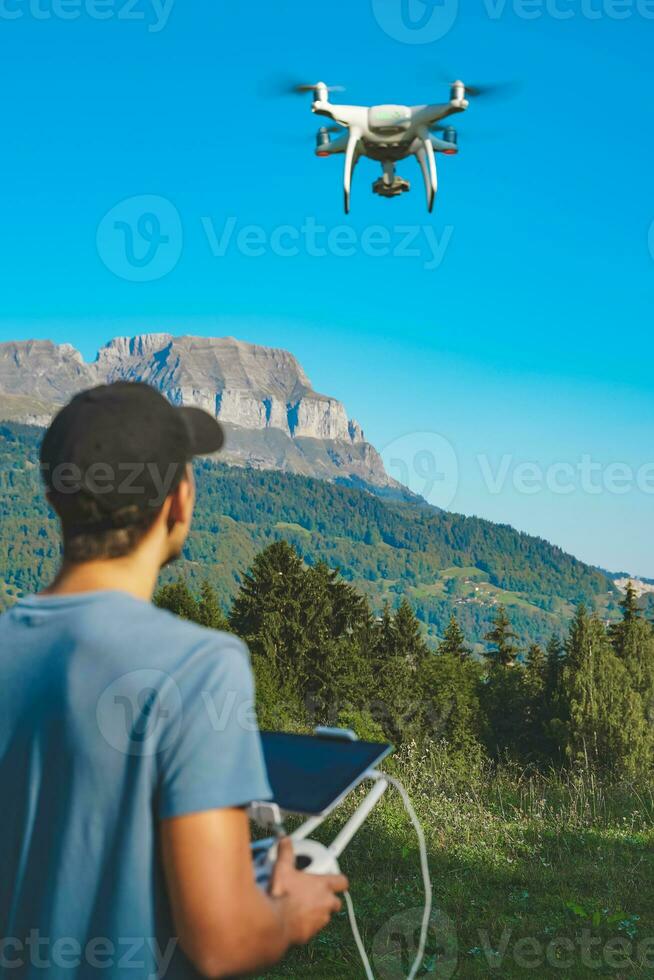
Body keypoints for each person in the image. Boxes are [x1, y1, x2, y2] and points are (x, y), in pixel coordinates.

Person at [0, 382, 347, 979]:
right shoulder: (200, 666)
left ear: (56, 500)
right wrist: (291, 910)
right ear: (179, 502)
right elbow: (224, 943)